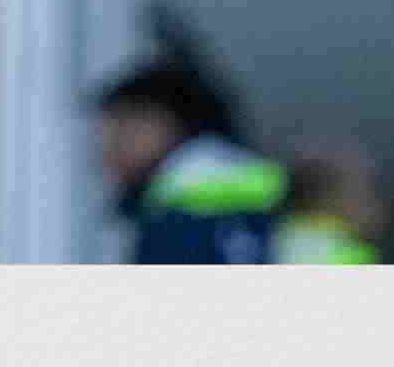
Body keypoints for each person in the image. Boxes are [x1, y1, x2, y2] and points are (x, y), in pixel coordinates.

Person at [94, 56, 287, 264]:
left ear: (167, 124)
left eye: (123, 132)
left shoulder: (178, 220)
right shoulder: (265, 189)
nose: (107, 155)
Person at [272, 148, 385, 265]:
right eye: (356, 192)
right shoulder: (335, 247)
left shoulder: (285, 233)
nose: (372, 204)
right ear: (326, 199)